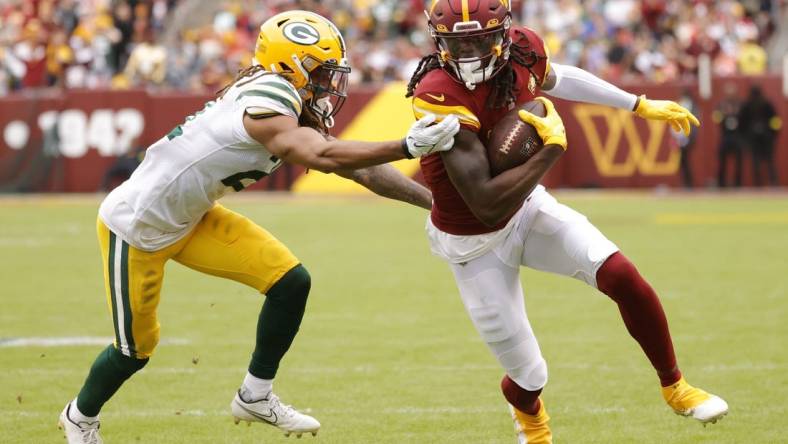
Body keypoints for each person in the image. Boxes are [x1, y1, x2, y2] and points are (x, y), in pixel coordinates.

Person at [58, 10, 460, 444]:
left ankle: (255, 395)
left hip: (191, 218)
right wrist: (404, 146)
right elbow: (323, 157)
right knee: (134, 350)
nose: (330, 83)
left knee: (290, 282)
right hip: (137, 227)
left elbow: (356, 169)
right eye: (322, 72)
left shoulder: (279, 93)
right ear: (293, 66)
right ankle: (79, 417)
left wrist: (433, 204)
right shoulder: (270, 100)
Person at [406, 1, 728, 442]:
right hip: (472, 240)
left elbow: (556, 78)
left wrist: (637, 103)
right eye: (459, 44)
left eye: (481, 40)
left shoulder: (523, 51)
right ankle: (532, 422)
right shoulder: (435, 91)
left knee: (621, 274)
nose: (471, 54)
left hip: (525, 207)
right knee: (529, 376)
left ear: (504, 33)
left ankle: (676, 386)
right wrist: (552, 151)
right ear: (438, 42)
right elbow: (485, 204)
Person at [739, 85, 781, 187]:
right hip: (765, 136)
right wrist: (773, 133)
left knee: (756, 160)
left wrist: (745, 136)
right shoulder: (766, 104)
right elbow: (775, 120)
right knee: (768, 160)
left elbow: (741, 122)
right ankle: (772, 182)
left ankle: (758, 183)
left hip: (756, 137)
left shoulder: (748, 105)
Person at [713, 83, 743, 187]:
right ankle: (721, 183)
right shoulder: (721, 105)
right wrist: (724, 115)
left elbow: (744, 118)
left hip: (737, 136)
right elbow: (716, 117)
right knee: (722, 161)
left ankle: (738, 183)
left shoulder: (739, 104)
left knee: (739, 161)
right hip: (725, 135)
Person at [671, 88, 698, 188]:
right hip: (684, 138)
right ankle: (687, 183)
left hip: (686, 138)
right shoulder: (689, 105)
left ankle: (688, 183)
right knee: (684, 162)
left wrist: (684, 137)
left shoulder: (686, 105)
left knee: (685, 161)